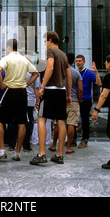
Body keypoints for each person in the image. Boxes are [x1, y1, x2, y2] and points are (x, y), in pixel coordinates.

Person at [30, 32, 71, 165]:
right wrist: (69, 94)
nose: (44, 44)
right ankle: (59, 155)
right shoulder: (64, 55)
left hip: (49, 90)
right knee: (61, 121)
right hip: (61, 90)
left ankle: (42, 154)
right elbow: (68, 76)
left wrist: (42, 85)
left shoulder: (49, 51)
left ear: (50, 40)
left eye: (44, 41)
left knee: (41, 118)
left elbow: (50, 66)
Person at [0, 39, 39, 162]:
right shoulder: (24, 60)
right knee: (22, 122)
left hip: (10, 90)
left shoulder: (6, 58)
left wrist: (1, 85)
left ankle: (2, 150)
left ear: (8, 47)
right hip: (22, 92)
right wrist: (26, 84)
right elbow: (36, 73)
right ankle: (17, 152)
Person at [75, 55, 102, 148]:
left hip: (86, 100)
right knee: (73, 121)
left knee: (85, 121)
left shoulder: (89, 73)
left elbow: (99, 83)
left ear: (84, 62)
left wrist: (96, 72)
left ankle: (84, 140)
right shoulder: (75, 73)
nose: (78, 63)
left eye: (80, 61)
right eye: (77, 61)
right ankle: (73, 139)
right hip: (75, 100)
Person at [65, 52, 83, 154]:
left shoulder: (59, 71)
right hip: (73, 100)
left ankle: (54, 144)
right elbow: (80, 89)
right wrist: (78, 101)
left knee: (58, 123)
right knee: (71, 123)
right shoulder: (76, 73)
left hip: (60, 100)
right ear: (73, 61)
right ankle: (69, 146)